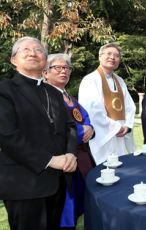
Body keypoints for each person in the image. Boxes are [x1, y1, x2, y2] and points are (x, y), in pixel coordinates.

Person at [0, 37, 77, 230]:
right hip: (24, 184)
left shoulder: (53, 92)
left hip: (58, 183)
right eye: (25, 49)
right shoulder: (4, 90)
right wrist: (50, 160)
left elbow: (70, 126)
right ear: (13, 60)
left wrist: (70, 154)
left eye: (38, 50)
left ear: (45, 61)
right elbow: (7, 135)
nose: (33, 53)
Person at [44, 53, 95, 229]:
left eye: (66, 68)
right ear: (45, 72)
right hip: (64, 159)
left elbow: (84, 116)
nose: (63, 71)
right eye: (57, 67)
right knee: (65, 208)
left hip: (82, 157)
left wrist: (90, 128)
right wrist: (83, 131)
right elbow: (54, 127)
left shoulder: (68, 96)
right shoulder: (45, 97)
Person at [78, 43, 136, 165]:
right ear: (99, 56)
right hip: (103, 136)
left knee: (121, 169)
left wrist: (127, 126)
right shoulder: (90, 80)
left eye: (116, 55)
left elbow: (130, 106)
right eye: (108, 54)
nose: (112, 58)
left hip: (120, 134)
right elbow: (93, 110)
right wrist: (115, 127)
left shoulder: (120, 80)